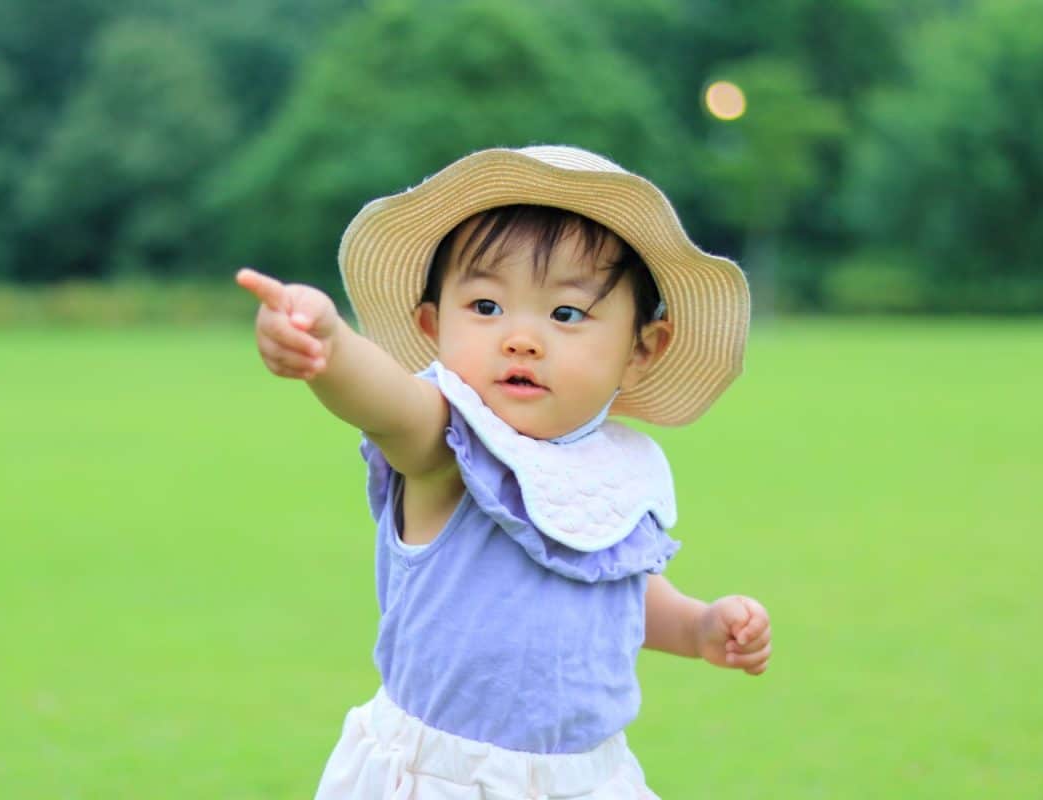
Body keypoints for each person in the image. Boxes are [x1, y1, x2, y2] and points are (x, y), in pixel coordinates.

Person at [236, 145, 772, 799]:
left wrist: (695, 625)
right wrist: (332, 347)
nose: (520, 338)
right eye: (486, 307)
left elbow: (608, 586)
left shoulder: (614, 471)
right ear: (433, 327)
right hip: (447, 780)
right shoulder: (446, 445)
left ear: (642, 349)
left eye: (566, 314)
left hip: (586, 780)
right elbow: (386, 405)